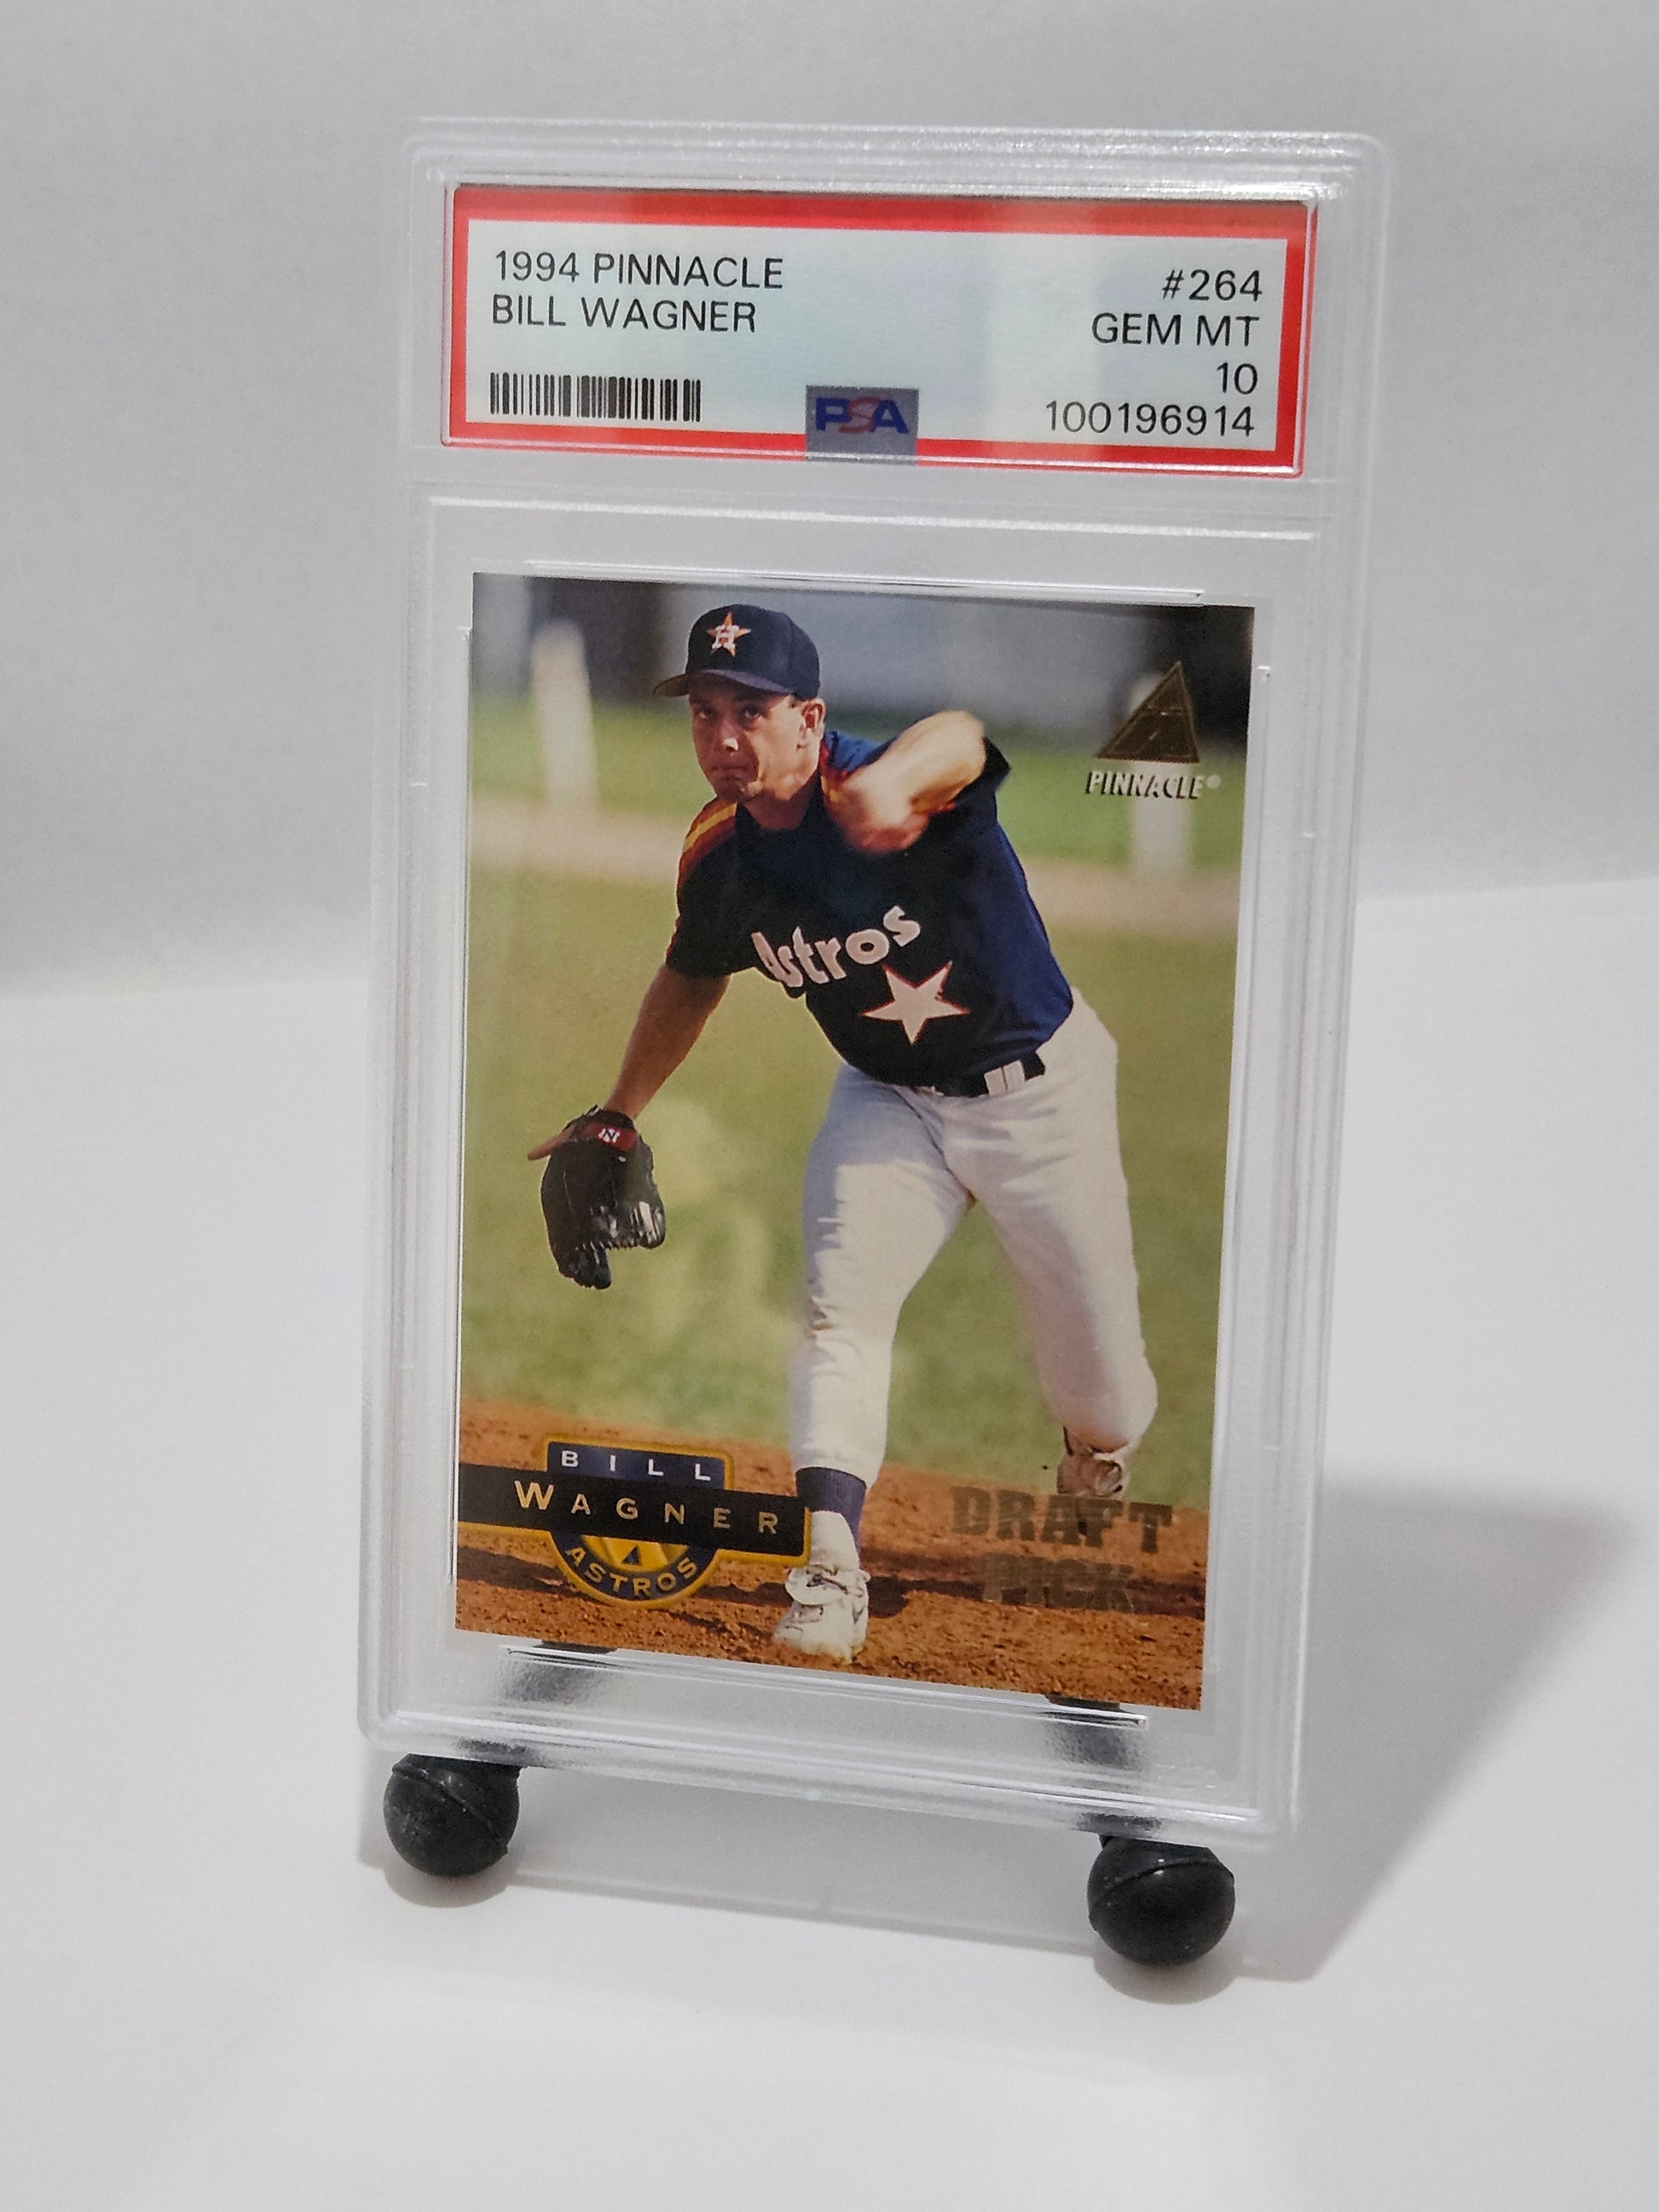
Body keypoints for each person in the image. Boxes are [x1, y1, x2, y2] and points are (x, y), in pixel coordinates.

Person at [533, 604, 1157, 1664]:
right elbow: (691, 973)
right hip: (888, 1101)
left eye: (750, 710)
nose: (723, 737)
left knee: (1103, 1399)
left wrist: (889, 781)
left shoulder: (890, 788)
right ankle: (829, 1568)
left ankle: (1092, 1453)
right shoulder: (719, 855)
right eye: (705, 714)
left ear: (810, 718)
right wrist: (619, 1109)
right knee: (838, 1314)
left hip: (1039, 1097)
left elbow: (959, 737)